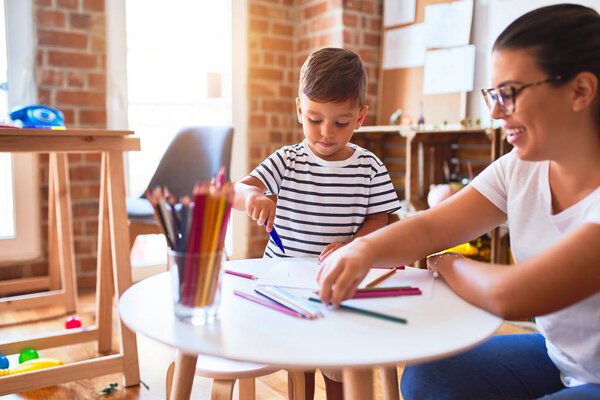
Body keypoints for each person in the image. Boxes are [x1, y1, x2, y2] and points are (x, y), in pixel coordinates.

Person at [317, 4, 600, 399]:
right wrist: (361, 250)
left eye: (510, 93)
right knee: (430, 376)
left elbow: (511, 294)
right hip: (565, 359)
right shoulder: (519, 168)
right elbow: (433, 225)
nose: (495, 110)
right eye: (493, 93)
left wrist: (449, 263)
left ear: (580, 91)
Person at [233, 47, 401, 399]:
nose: (326, 133)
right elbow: (236, 189)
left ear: (360, 117)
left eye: (341, 122)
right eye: (314, 119)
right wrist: (253, 198)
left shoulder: (369, 167)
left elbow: (380, 219)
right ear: (299, 109)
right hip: (286, 285)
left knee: (338, 364)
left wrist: (355, 244)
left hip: (337, 283)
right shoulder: (288, 160)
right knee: (300, 367)